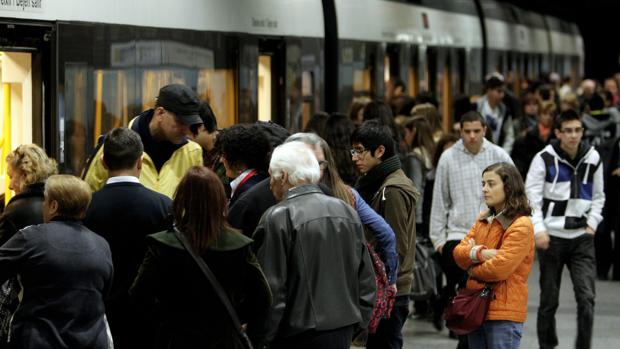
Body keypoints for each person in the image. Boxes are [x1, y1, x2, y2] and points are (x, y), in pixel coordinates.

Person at [250, 141, 376, 349]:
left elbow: (272, 290)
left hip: (296, 335)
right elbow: (366, 279)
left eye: (271, 177)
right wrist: (358, 322)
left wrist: (261, 340)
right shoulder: (346, 211)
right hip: (342, 329)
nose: (270, 185)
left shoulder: (278, 217)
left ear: (283, 177)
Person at [130, 166, 271, 348]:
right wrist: (234, 316)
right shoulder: (240, 246)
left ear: (181, 199)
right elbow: (263, 297)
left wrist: (166, 318)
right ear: (220, 200)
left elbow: (139, 295)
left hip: (175, 339)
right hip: (224, 339)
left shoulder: (162, 245)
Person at [83, 127, 172, 348]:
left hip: (100, 314)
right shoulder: (164, 206)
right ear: (140, 162)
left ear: (103, 162)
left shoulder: (87, 207)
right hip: (151, 315)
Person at [430, 111, 513, 348]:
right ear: (460, 131)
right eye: (467, 132)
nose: (472, 136)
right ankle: (467, 337)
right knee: (469, 291)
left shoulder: (499, 155)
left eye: (477, 131)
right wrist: (438, 240)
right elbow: (440, 200)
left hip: (493, 237)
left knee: (481, 297)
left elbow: (516, 195)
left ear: (485, 130)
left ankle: (468, 339)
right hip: (457, 237)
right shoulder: (448, 157)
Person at [0, 175, 113, 348]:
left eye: (45, 201)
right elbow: (104, 292)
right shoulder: (101, 244)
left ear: (53, 206)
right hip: (91, 342)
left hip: (38, 340)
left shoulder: (30, 237)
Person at [525, 109, 605, 349]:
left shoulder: (593, 157)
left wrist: (592, 224)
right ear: (558, 133)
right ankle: (547, 345)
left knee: (587, 298)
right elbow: (532, 197)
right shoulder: (544, 158)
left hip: (582, 237)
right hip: (552, 237)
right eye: (568, 131)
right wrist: (539, 229)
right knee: (549, 300)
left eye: (577, 130)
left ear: (582, 131)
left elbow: (599, 195)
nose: (573, 135)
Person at [352, 120, 418, 349]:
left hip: (391, 286)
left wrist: (389, 281)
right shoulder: (379, 184)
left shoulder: (392, 190)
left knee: (386, 343)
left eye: (360, 151)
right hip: (386, 283)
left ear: (380, 151)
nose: (354, 157)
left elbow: (396, 243)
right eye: (353, 151)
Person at [453, 162, 535, 348]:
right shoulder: (483, 220)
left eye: (491, 184)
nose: (485, 189)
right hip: (476, 307)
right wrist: (479, 253)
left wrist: (471, 269)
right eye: (483, 184)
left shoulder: (521, 224)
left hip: (503, 313)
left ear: (508, 186)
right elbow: (458, 253)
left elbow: (499, 269)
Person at [84, 84, 204, 198]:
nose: (186, 130)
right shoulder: (114, 145)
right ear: (160, 113)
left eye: (189, 124)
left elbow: (197, 204)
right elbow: (89, 196)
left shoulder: (192, 152)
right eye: (180, 122)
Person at [0, 144, 57, 344]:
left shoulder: (15, 211)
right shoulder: (59, 202)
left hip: (27, 304)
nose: (9, 185)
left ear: (24, 175)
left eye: (11, 176)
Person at [217, 124, 271, 205]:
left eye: (224, 155)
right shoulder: (263, 180)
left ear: (238, 164)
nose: (221, 160)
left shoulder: (246, 195)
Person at [511, 101, 557, 179]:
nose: (548, 117)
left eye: (551, 115)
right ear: (539, 115)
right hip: (531, 175)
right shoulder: (528, 136)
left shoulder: (557, 136)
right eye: (545, 114)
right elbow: (521, 162)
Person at [476, 74, 515, 153]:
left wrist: (504, 153)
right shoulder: (476, 107)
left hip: (498, 153)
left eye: (503, 92)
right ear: (489, 90)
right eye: (499, 91)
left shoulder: (505, 111)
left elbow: (509, 136)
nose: (502, 95)